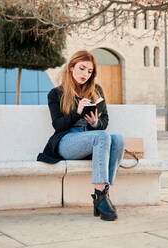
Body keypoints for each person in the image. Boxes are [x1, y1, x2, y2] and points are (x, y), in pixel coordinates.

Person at [37, 50, 125, 221]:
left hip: (90, 140)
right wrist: (77, 112)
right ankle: (100, 197)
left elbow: (104, 121)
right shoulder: (56, 93)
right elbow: (57, 124)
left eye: (89, 71)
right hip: (67, 142)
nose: (85, 74)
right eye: (82, 68)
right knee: (102, 136)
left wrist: (94, 123)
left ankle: (103, 194)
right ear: (71, 68)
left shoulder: (96, 90)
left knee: (118, 139)